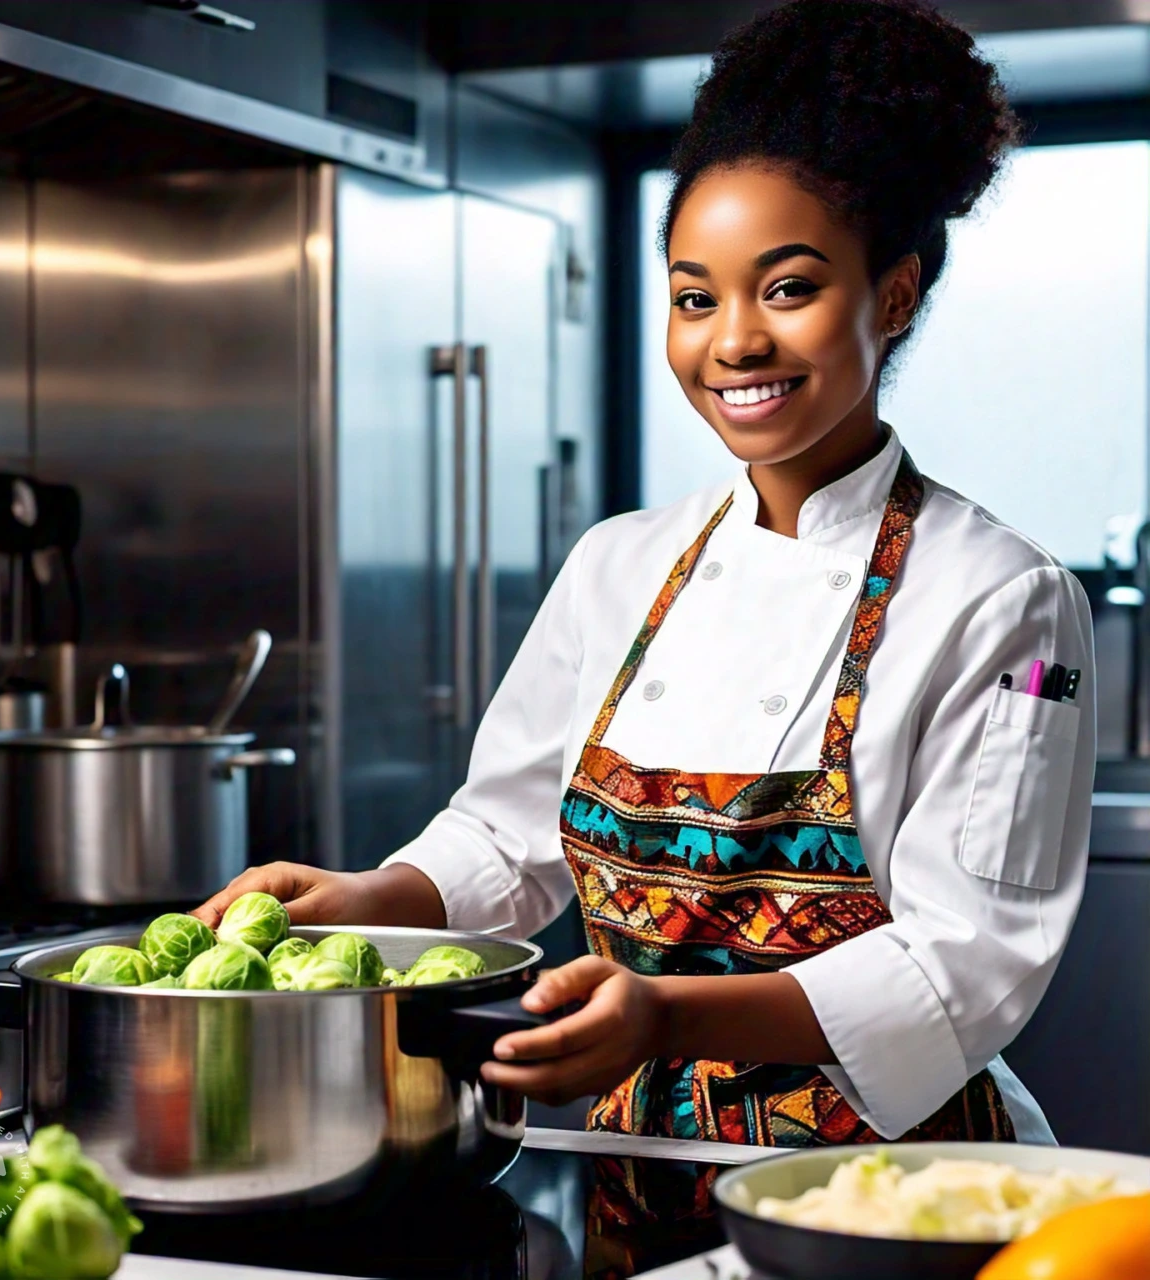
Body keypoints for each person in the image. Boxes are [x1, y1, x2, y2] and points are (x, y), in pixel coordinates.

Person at [195, 0, 1095, 1150]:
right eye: (692, 295)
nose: (731, 341)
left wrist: (660, 1013)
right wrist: (369, 895)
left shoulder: (1000, 596)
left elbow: (965, 962)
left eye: (786, 288)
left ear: (891, 297)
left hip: (892, 1183)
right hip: (625, 1151)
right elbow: (504, 834)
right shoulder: (617, 562)